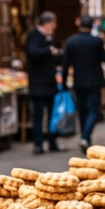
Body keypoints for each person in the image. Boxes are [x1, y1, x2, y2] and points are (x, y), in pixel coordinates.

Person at [61, 14, 105, 150]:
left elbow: (65, 64)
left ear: (79, 25)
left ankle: (85, 136)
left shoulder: (71, 42)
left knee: (82, 110)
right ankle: (85, 137)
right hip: (95, 80)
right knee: (93, 110)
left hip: (79, 81)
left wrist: (64, 82)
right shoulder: (96, 41)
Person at [25, 10, 61, 154]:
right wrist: (48, 50)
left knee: (52, 115)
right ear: (47, 23)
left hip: (49, 83)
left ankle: (52, 142)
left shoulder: (49, 37)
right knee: (38, 116)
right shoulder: (33, 36)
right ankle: (38, 144)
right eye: (53, 23)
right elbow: (33, 53)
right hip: (38, 84)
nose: (54, 26)